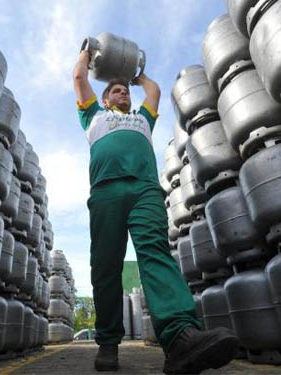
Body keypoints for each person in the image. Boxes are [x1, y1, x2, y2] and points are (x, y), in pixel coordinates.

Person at [73, 49, 239, 374]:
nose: (122, 93)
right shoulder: (93, 115)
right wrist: (84, 54)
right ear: (106, 100)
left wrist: (138, 75)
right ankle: (108, 342)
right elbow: (79, 78)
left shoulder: (142, 119)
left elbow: (154, 92)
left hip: (144, 190)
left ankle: (180, 338)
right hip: (106, 192)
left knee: (156, 254)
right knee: (106, 267)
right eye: (116, 90)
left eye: (125, 91)